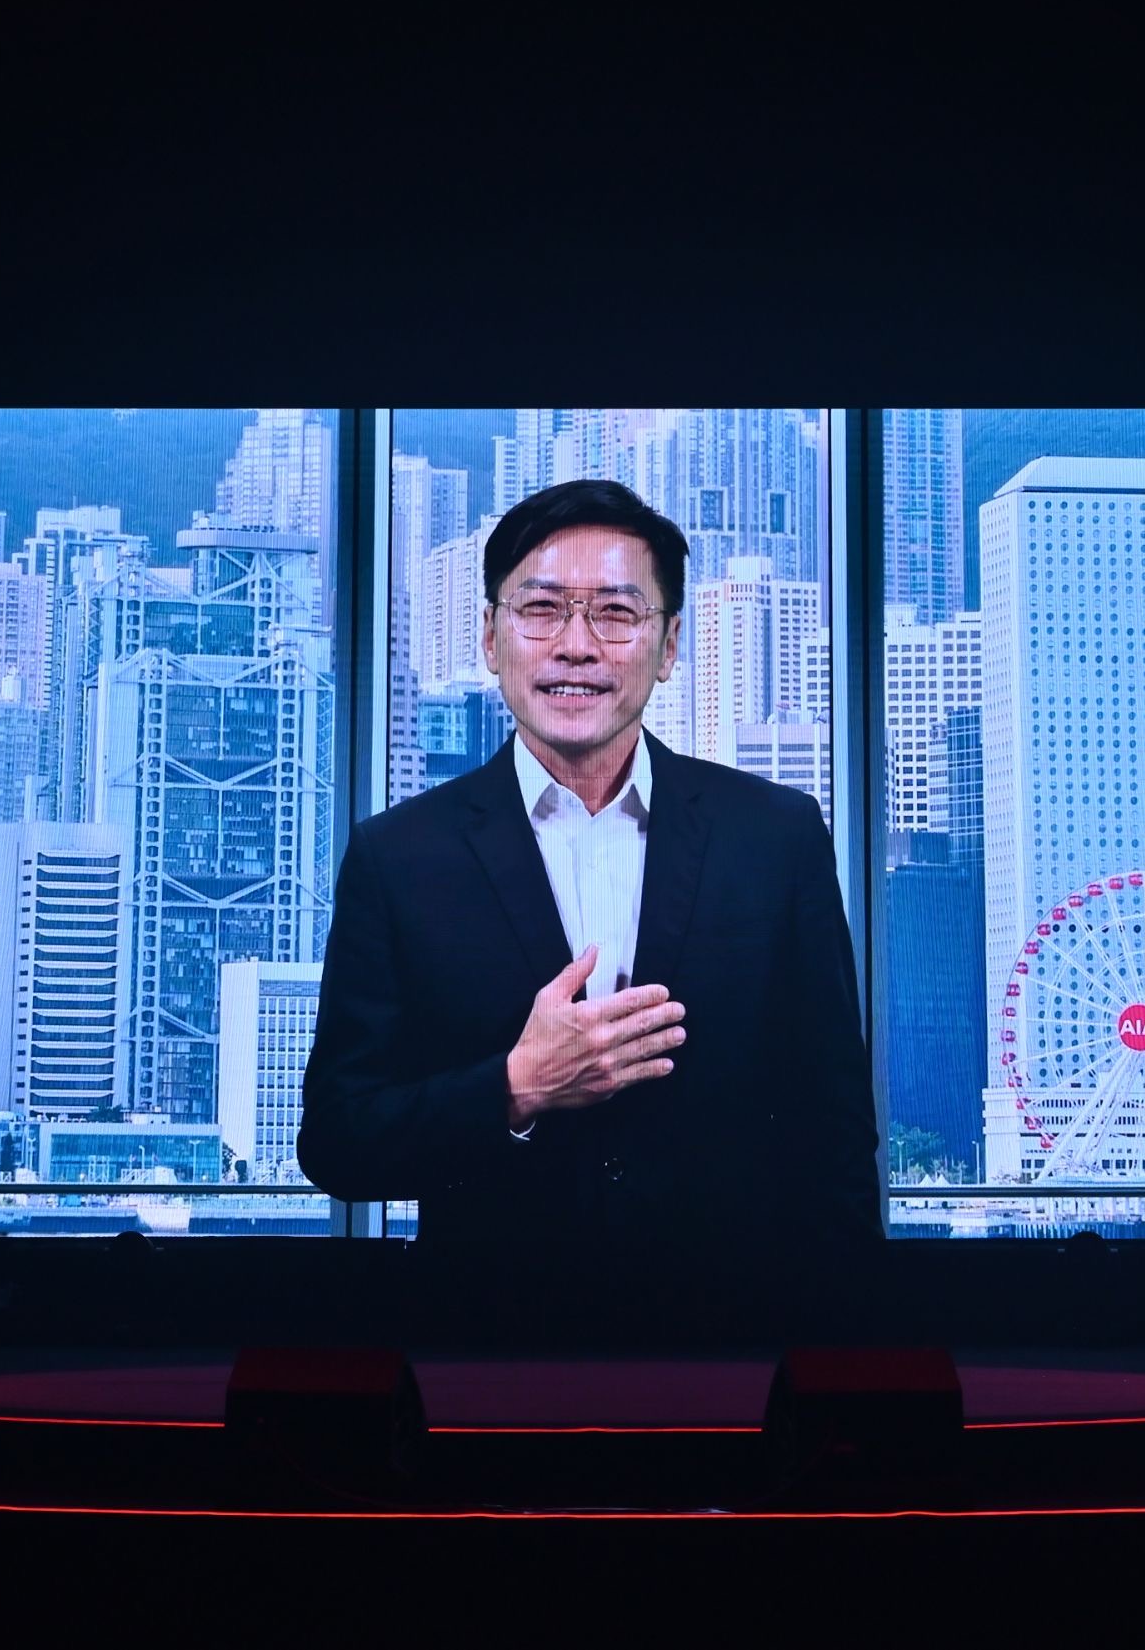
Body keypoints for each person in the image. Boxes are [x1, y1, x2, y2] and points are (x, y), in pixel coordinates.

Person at [297, 478, 881, 1256]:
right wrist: (517, 1086)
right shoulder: (399, 856)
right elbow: (337, 1137)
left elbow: (837, 1136)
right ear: (491, 637)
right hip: (490, 1325)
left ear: (669, 645)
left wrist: (845, 1320)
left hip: (729, 1321)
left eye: (615, 612)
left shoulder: (776, 838)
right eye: (541, 609)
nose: (577, 644)